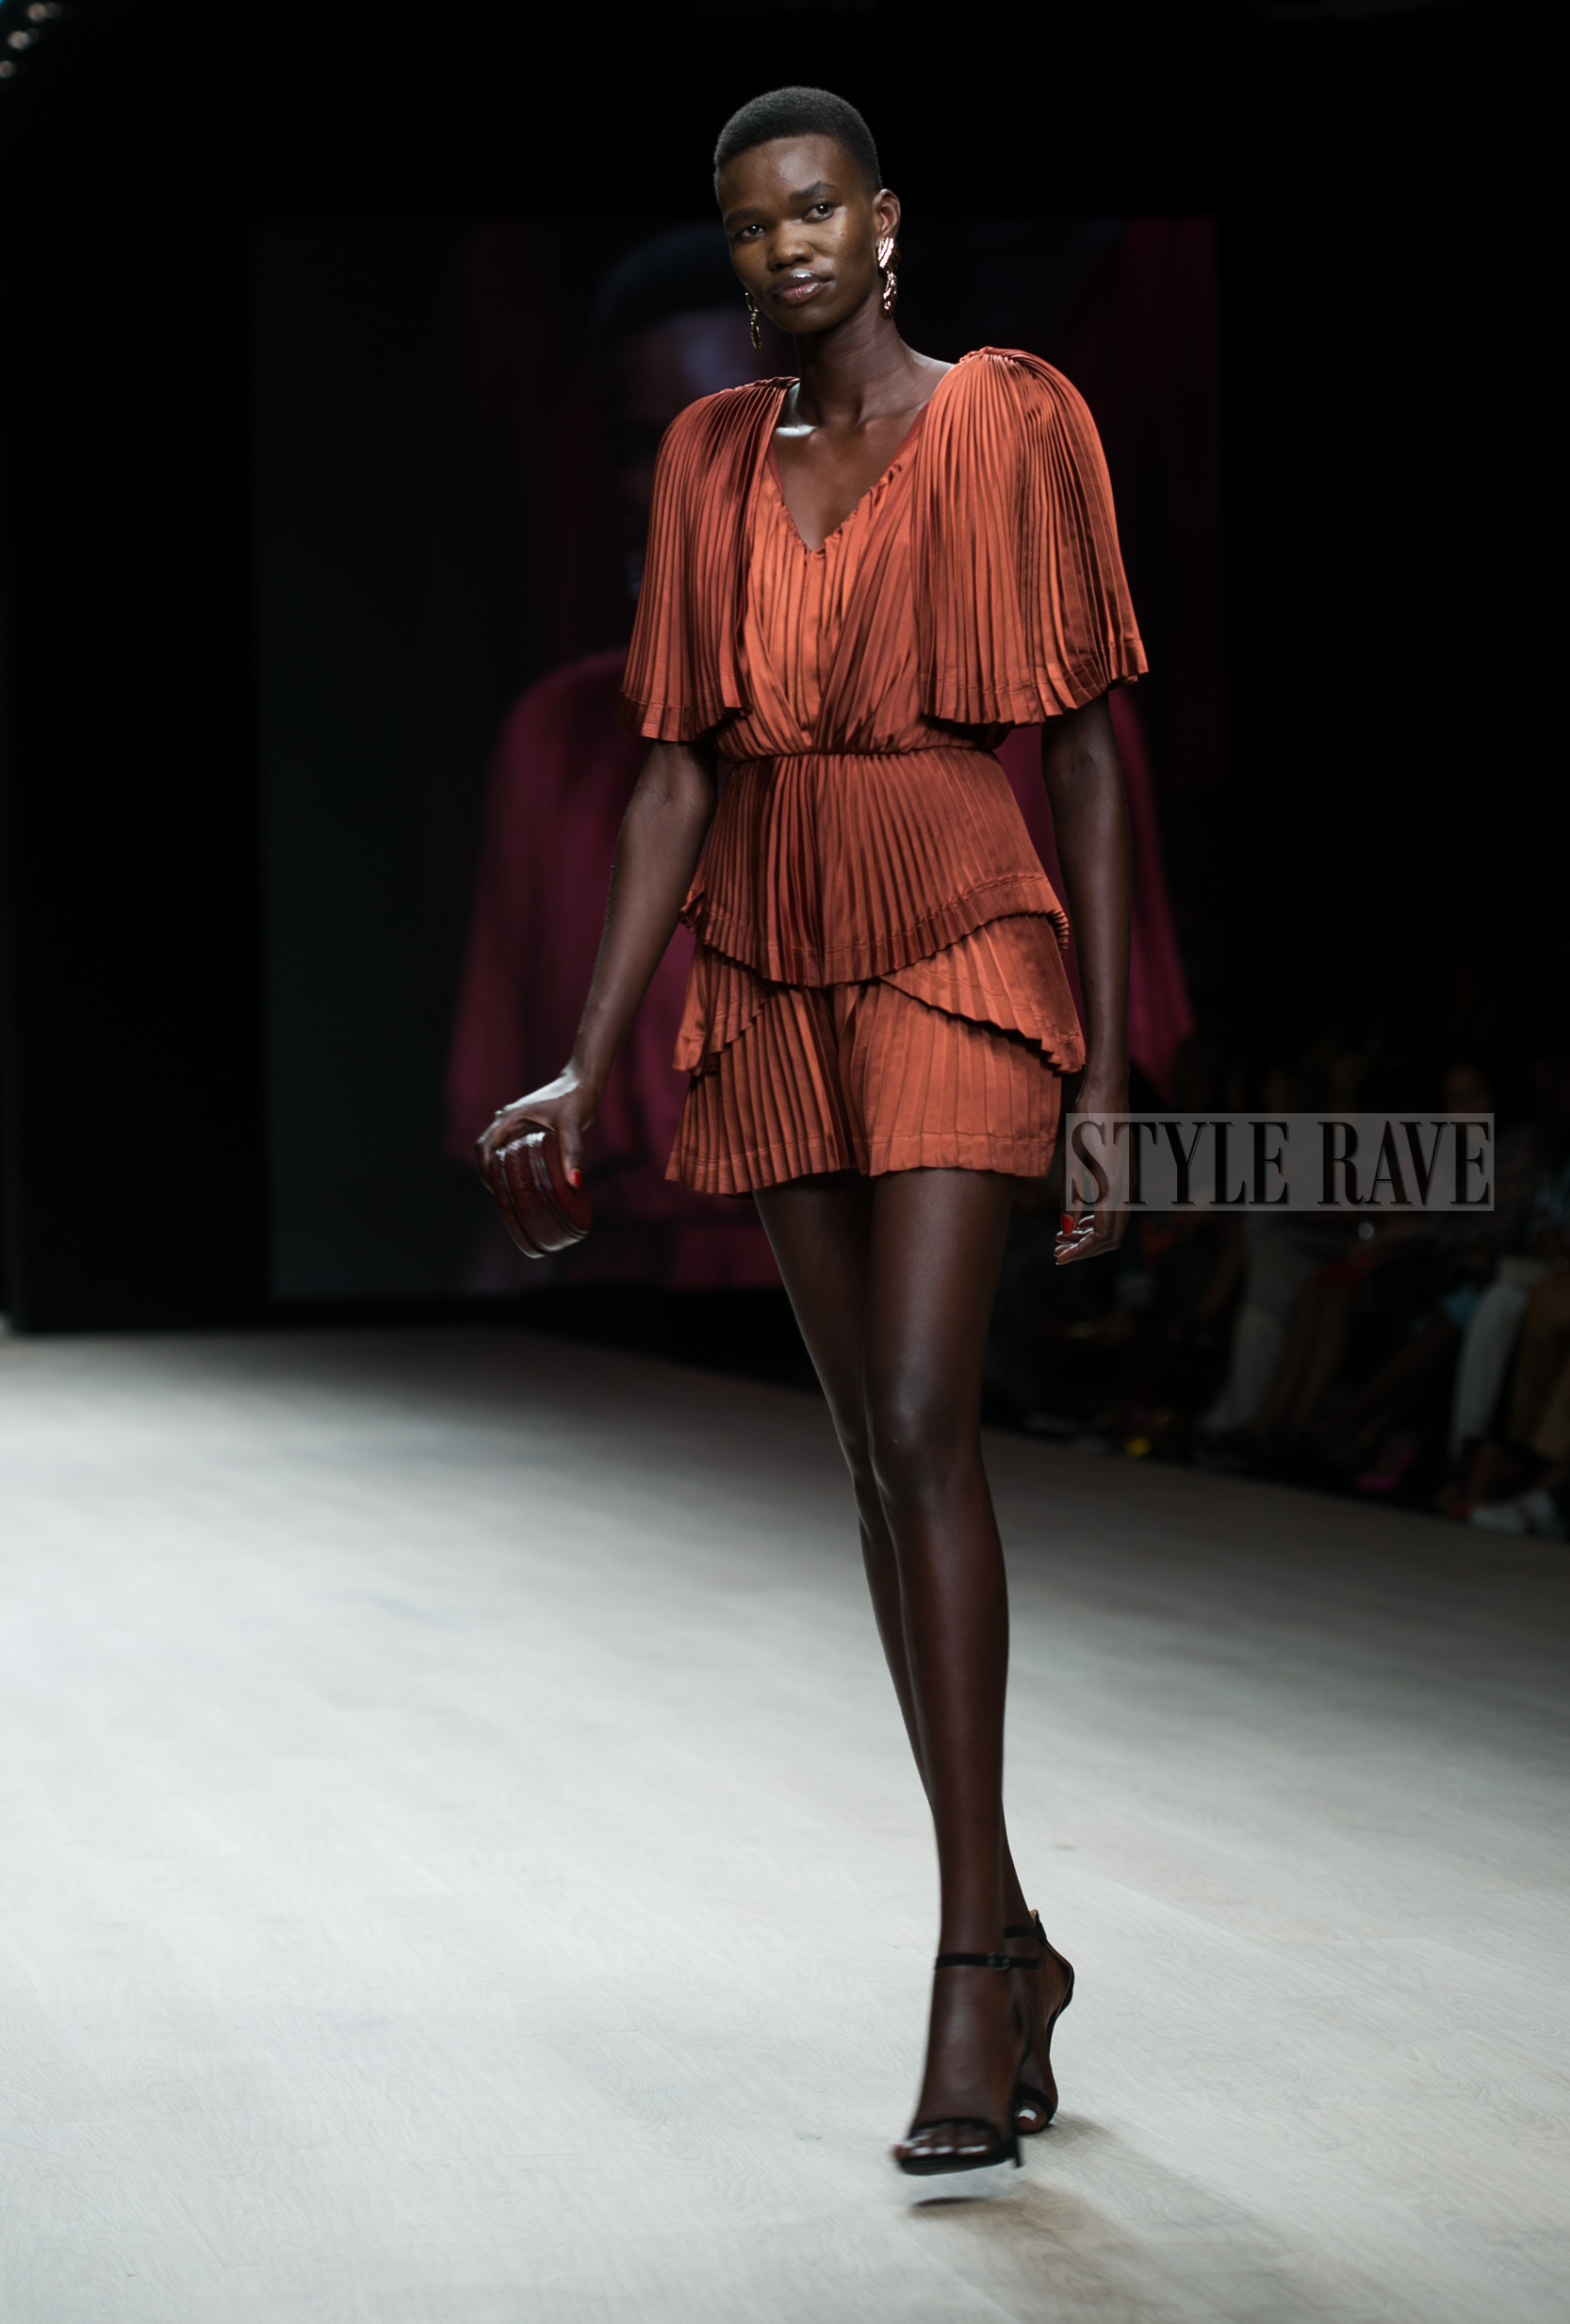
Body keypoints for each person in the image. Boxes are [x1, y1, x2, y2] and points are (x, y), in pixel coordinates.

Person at [478, 88, 1143, 2175]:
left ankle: (959, 1975)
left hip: (958, 936)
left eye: (814, 210)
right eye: (749, 223)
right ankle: (1016, 1936)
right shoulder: (703, 459)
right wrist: (586, 1058)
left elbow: (1086, 751)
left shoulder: (1012, 419)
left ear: (884, 222)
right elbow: (674, 777)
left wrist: (1107, 1078)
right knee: (869, 1450)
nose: (783, 248)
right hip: (765, 967)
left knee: (928, 1416)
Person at [446, 230, 786, 1289]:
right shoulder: (555, 741)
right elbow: (508, 1176)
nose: (681, 485)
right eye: (644, 445)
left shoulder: (1005, 721)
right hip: (622, 1325)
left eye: (728, 431)